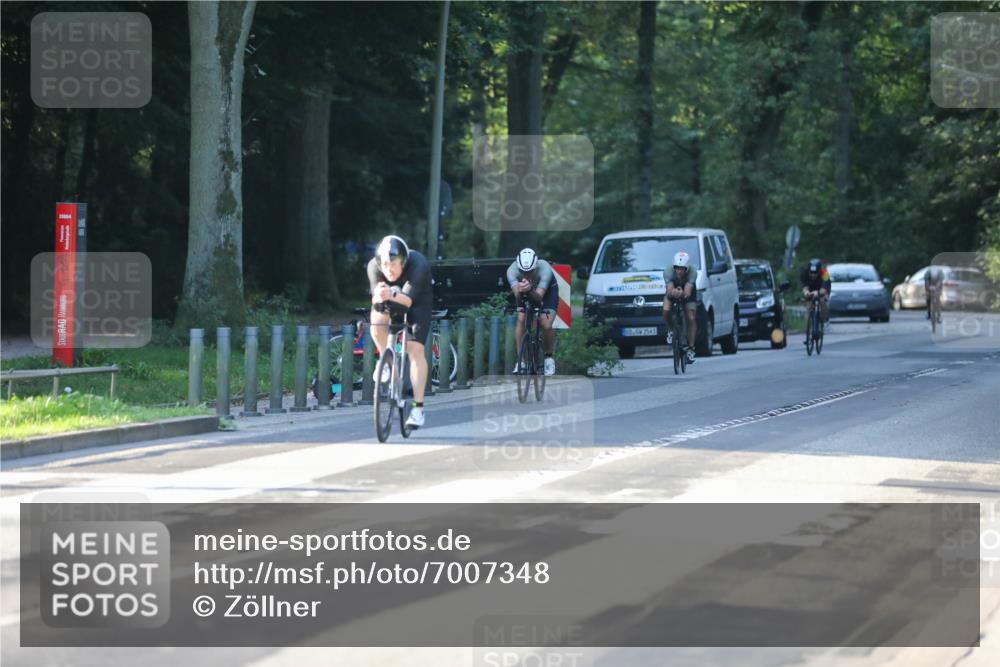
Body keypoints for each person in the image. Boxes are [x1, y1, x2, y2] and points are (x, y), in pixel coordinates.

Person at [366, 235, 433, 428]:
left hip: (417, 302)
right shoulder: (373, 266)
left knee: (415, 349)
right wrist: (378, 296)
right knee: (376, 321)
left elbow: (409, 301)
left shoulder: (418, 264)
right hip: (391, 296)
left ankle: (418, 408)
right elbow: (374, 299)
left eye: (393, 264)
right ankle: (386, 362)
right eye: (385, 265)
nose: (389, 270)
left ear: (403, 261)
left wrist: (392, 293)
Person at [507, 248, 558, 376]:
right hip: (525, 292)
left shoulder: (545, 268)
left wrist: (530, 289)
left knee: (546, 324)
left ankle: (548, 357)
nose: (526, 274)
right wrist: (521, 290)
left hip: (546, 293)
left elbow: (539, 298)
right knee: (520, 320)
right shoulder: (511, 271)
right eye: (523, 272)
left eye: (529, 271)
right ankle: (521, 361)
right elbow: (518, 297)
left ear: (535, 267)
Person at [663, 251, 698, 364]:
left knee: (691, 317)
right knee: (666, 309)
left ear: (687, 268)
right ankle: (671, 329)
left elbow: (687, 292)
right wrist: (674, 293)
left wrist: (682, 293)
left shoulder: (693, 272)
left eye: (682, 269)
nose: (679, 271)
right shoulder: (668, 272)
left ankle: (691, 348)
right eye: (677, 268)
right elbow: (669, 292)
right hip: (673, 288)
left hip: (687, 289)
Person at [799, 258, 831, 341]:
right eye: (811, 273)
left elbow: (824, 288)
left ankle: (824, 320)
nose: (813, 275)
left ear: (819, 271)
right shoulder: (805, 273)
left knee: (823, 300)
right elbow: (804, 287)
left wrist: (818, 293)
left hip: (822, 287)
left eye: (815, 273)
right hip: (811, 288)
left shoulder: (825, 273)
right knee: (808, 307)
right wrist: (806, 292)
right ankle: (808, 332)